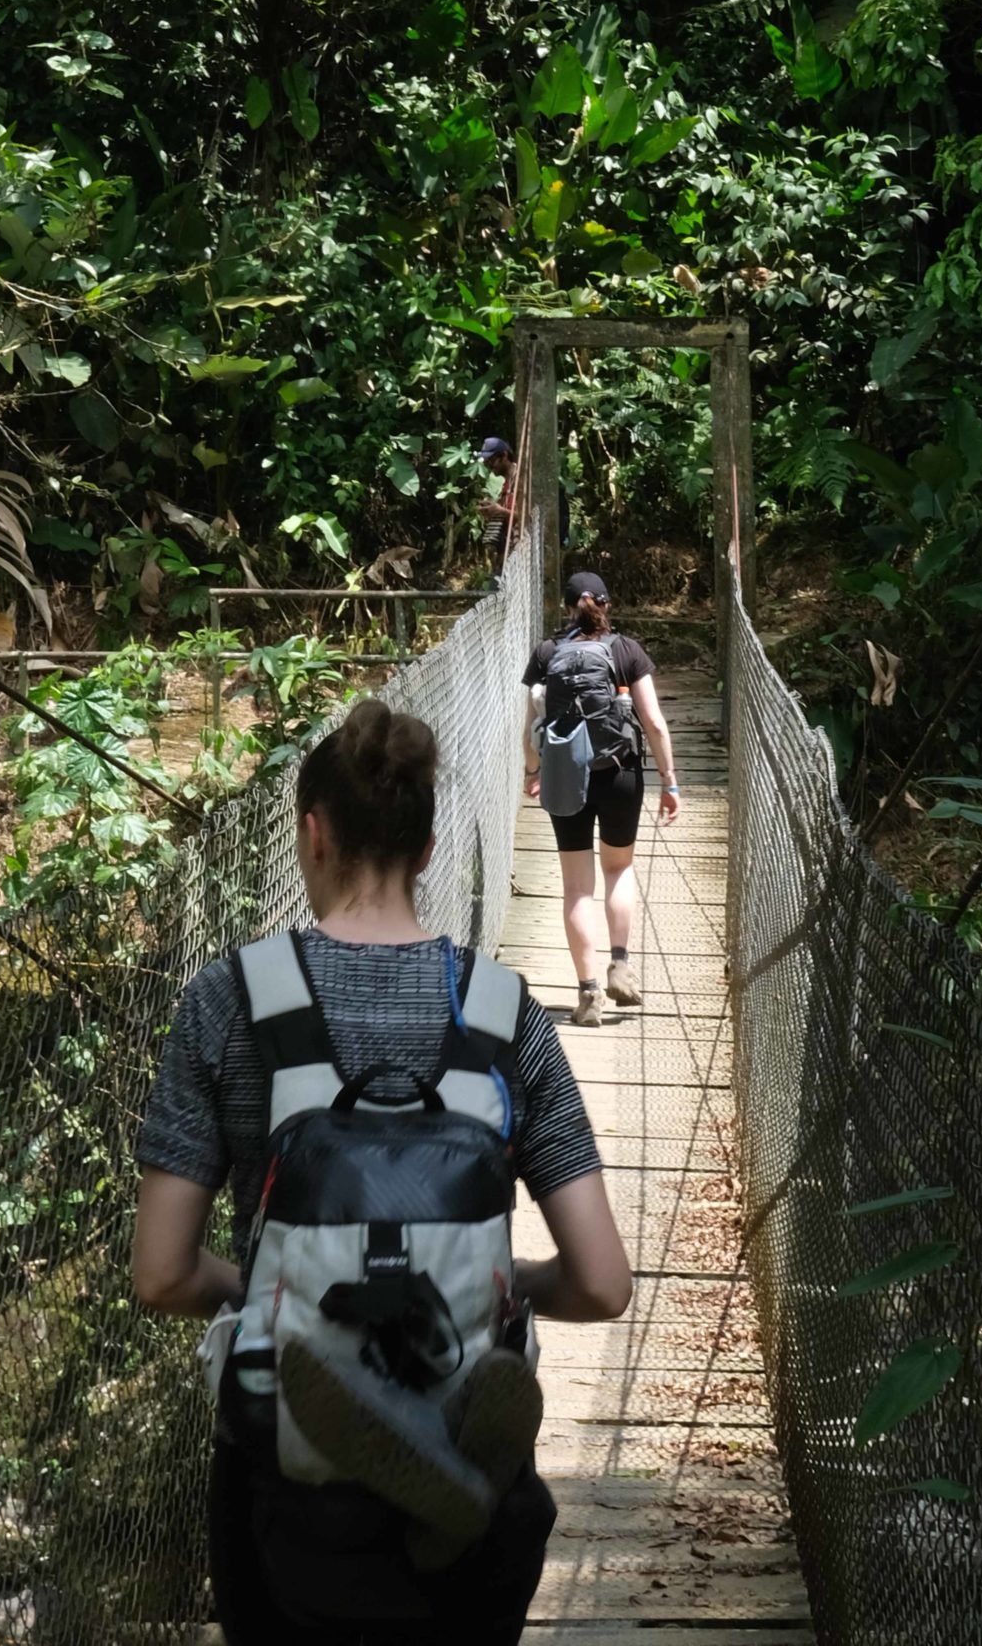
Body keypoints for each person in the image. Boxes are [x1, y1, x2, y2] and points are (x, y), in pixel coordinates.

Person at [132, 698, 632, 1645]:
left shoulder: (229, 1001)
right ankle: (446, 1459)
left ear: (311, 835)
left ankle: (334, 1369)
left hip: (281, 1474)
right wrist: (507, 1284)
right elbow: (603, 1284)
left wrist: (280, 1291)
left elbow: (161, 1272)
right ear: (431, 846)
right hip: (467, 1431)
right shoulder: (501, 1012)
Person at [522, 573, 681, 1028]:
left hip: (564, 777)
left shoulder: (546, 653)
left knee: (576, 888)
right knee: (619, 869)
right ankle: (620, 965)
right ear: (605, 607)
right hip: (619, 774)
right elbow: (653, 721)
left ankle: (588, 992)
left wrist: (533, 772)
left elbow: (529, 725)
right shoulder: (626, 650)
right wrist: (670, 782)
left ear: (566, 607)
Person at [478, 436, 517, 572]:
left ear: (504, 456)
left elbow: (530, 517)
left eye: (491, 460)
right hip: (508, 554)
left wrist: (501, 512)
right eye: (486, 462)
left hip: (521, 554)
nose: (489, 465)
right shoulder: (506, 485)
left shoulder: (521, 481)